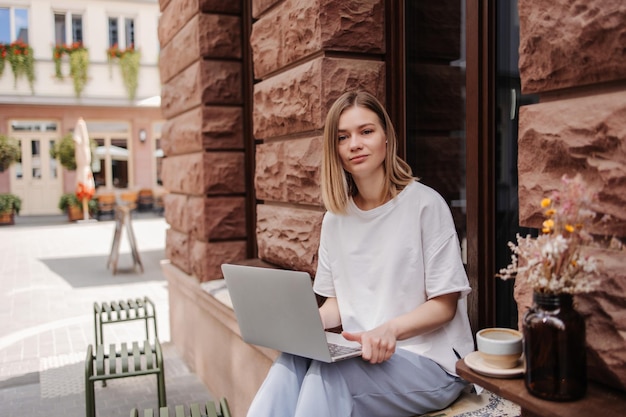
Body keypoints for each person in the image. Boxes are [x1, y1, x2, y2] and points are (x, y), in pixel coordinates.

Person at [246, 90, 474, 417]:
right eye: (343, 137)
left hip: (430, 362)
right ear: (335, 150)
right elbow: (338, 304)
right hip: (361, 356)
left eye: (366, 131)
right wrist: (300, 326)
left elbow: (445, 305)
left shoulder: (425, 204)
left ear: (386, 138)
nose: (355, 143)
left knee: (327, 375)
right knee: (292, 360)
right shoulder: (335, 220)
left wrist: (389, 330)